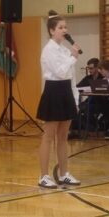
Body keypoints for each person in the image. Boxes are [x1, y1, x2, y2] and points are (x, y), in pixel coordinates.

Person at [36, 10, 81, 189]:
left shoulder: (65, 50)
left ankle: (64, 174)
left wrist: (75, 99)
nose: (64, 30)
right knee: (48, 137)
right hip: (53, 91)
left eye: (65, 27)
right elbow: (60, 72)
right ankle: (43, 176)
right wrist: (73, 58)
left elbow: (71, 78)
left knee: (63, 137)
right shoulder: (48, 50)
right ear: (51, 30)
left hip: (66, 92)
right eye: (61, 27)